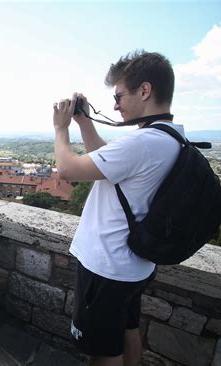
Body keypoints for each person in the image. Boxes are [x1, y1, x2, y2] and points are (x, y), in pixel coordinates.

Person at [53, 51, 183, 366]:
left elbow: (68, 169)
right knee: (127, 331)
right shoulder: (169, 137)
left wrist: (61, 128)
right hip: (133, 266)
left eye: (119, 96)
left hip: (107, 266)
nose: (114, 106)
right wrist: (84, 122)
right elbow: (108, 162)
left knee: (104, 352)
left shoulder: (142, 143)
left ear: (145, 91)